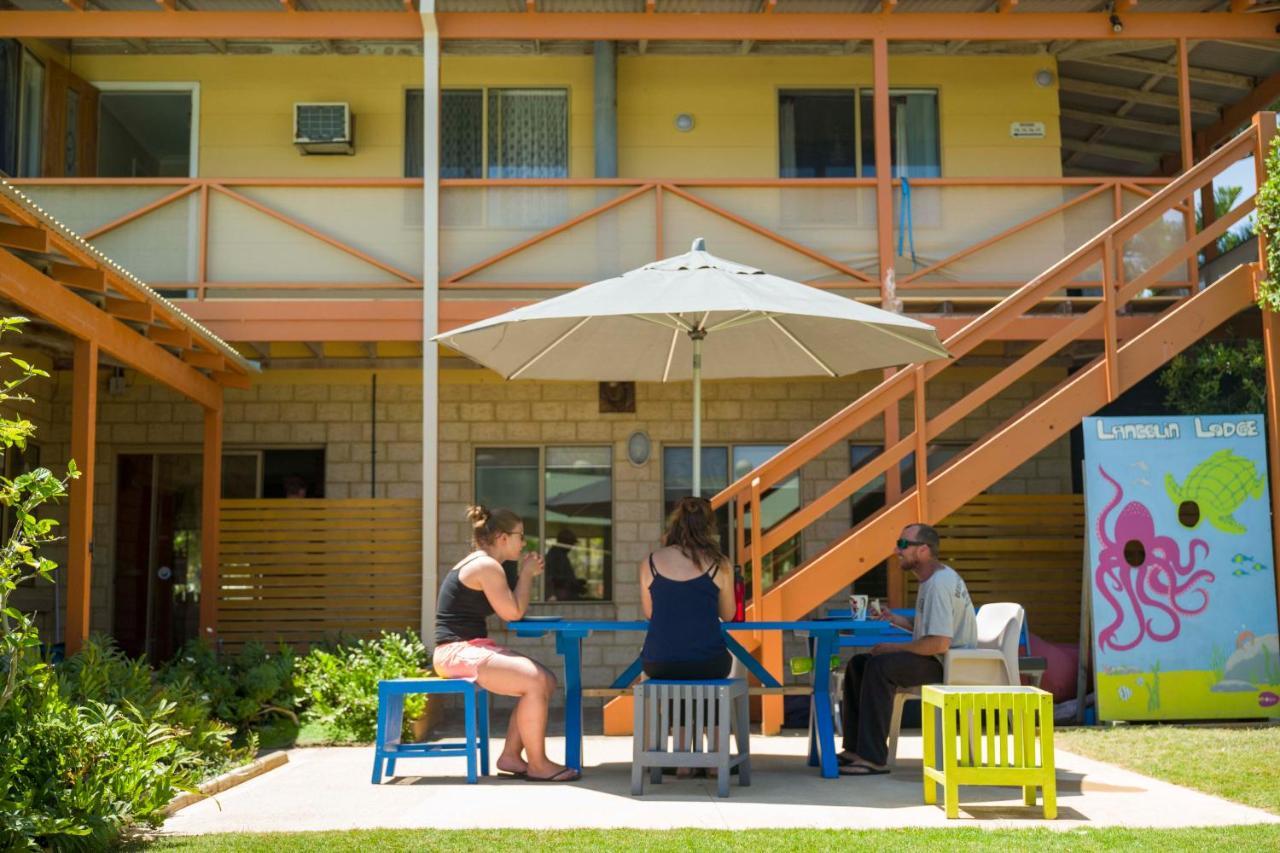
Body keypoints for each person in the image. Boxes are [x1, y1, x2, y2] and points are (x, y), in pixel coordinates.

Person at [432, 505, 579, 783]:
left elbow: (512, 610)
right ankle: (538, 764)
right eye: (520, 536)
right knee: (534, 680)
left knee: (545, 680)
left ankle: (511, 756)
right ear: (502, 538)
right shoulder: (486, 565)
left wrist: (523, 575)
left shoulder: (487, 564)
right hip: (455, 652)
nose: (524, 543)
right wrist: (525, 575)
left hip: (468, 648)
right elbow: (512, 613)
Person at [838, 522, 977, 776]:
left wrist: (894, 647)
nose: (896, 550)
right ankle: (855, 749)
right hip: (939, 658)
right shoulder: (931, 581)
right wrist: (896, 620)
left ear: (923, 550)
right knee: (860, 664)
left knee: (880, 666)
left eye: (903, 544)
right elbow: (931, 630)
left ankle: (873, 758)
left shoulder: (938, 584)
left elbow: (939, 642)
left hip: (950, 665)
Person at [639, 497, 736, 680]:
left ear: (674, 525)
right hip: (709, 662)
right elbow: (728, 614)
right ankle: (707, 710)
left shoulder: (650, 562)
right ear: (709, 528)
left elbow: (650, 613)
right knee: (714, 670)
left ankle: (669, 710)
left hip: (659, 663)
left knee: (669, 678)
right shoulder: (719, 563)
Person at [544, 528, 585, 602]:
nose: (572, 546)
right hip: (560, 599)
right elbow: (556, 580)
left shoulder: (561, 555)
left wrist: (576, 582)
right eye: (571, 543)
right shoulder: (556, 556)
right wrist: (574, 586)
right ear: (565, 542)